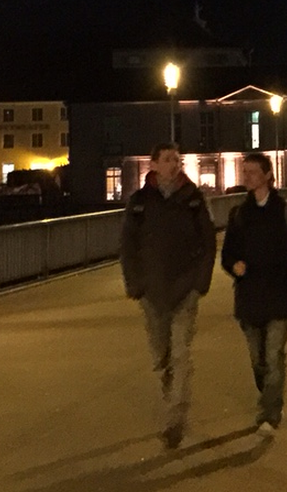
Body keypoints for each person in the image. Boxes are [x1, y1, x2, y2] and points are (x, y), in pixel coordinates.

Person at [120, 142, 218, 450]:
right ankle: (171, 397)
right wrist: (134, 284)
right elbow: (127, 245)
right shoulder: (140, 202)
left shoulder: (192, 199)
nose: (174, 164)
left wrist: (200, 282)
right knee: (161, 356)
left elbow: (208, 240)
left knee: (180, 354)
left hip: (184, 290)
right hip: (152, 292)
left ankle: (175, 419)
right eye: (168, 159)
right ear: (154, 164)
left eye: (177, 159)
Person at [221, 152, 287, 436]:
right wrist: (233, 265)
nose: (246, 176)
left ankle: (270, 412)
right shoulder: (238, 215)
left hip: (277, 296)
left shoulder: (286, 211)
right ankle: (269, 396)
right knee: (258, 361)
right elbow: (226, 254)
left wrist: (279, 262)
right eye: (244, 171)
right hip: (248, 299)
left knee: (273, 356)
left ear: (267, 176)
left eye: (251, 172)